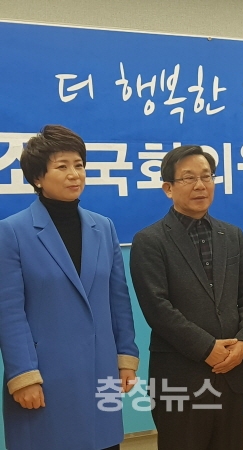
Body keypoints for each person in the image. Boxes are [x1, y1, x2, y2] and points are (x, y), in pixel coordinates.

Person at [0, 125, 139, 450]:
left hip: (100, 371)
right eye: (62, 167)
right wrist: (23, 376)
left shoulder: (103, 227)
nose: (74, 174)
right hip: (46, 377)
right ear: (38, 177)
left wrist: (125, 357)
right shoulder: (12, 232)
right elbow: (8, 312)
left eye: (79, 165)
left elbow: (118, 299)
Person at [130, 145, 243, 450]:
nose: (200, 185)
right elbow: (157, 308)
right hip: (179, 377)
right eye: (189, 178)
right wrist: (206, 348)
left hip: (230, 373)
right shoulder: (150, 241)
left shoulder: (232, 235)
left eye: (207, 176)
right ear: (168, 188)